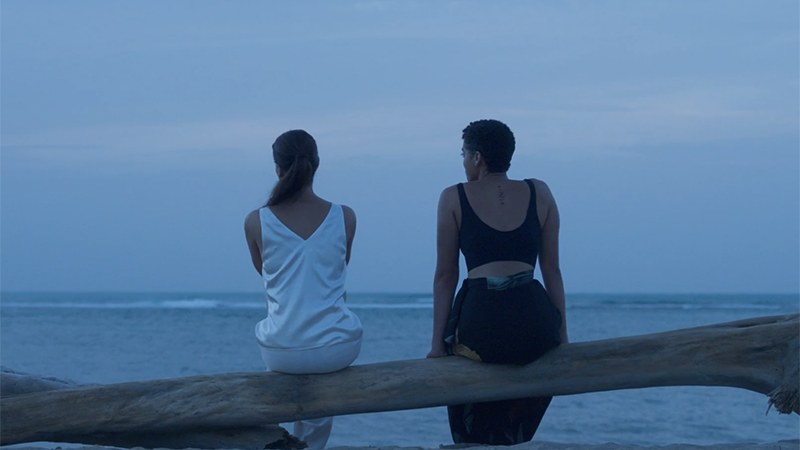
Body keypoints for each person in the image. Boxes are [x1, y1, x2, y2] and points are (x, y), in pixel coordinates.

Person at [427, 119, 568, 445]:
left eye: (463, 154)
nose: (463, 162)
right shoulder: (540, 191)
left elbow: (445, 276)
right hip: (535, 323)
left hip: (482, 324)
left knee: (468, 380)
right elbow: (552, 270)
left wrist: (437, 346)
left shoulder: (453, 197)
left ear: (477, 158)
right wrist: (561, 334)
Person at [244, 129, 362, 450]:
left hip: (280, 350)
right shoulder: (345, 217)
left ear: (278, 169)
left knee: (297, 342)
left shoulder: (256, 221)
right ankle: (309, 445)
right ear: (317, 164)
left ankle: (286, 443)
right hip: (334, 348)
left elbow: (267, 275)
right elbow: (338, 270)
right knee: (326, 344)